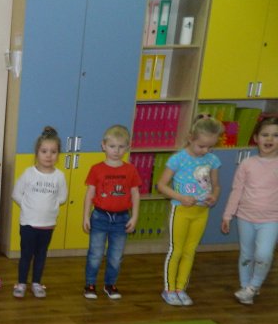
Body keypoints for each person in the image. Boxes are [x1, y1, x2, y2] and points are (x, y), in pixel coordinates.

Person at [157, 116, 224, 306]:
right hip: (181, 211)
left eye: (210, 147)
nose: (206, 151)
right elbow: (161, 185)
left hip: (201, 213)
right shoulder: (178, 159)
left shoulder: (213, 160)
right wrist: (180, 197)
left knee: (190, 251)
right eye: (201, 146)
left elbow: (216, 186)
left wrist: (214, 196)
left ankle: (181, 288)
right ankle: (169, 289)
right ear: (190, 138)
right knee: (176, 250)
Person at [221, 116, 278, 305]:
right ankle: (246, 287)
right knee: (247, 254)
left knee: (263, 254)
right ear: (256, 138)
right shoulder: (247, 164)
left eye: (275, 135)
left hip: (271, 220)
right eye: (265, 135)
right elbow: (237, 190)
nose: (269, 139)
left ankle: (254, 286)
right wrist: (228, 215)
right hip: (245, 217)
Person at [82, 125, 141, 300]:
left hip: (122, 218)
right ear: (103, 146)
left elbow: (135, 194)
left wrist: (134, 217)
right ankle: (90, 284)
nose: (116, 151)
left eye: (121, 147)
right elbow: (90, 194)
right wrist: (86, 216)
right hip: (100, 217)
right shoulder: (96, 169)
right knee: (95, 254)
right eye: (112, 146)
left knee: (116, 256)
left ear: (127, 147)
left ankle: (110, 284)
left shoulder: (130, 170)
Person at [11, 126, 67, 299]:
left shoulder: (59, 176)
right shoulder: (29, 173)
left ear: (58, 154)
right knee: (26, 255)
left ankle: (36, 282)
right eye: (44, 151)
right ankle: (21, 283)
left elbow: (62, 197)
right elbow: (16, 193)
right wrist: (28, 206)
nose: (48, 155)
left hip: (47, 225)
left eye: (53, 152)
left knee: (41, 255)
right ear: (37, 153)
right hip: (28, 224)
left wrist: (51, 206)